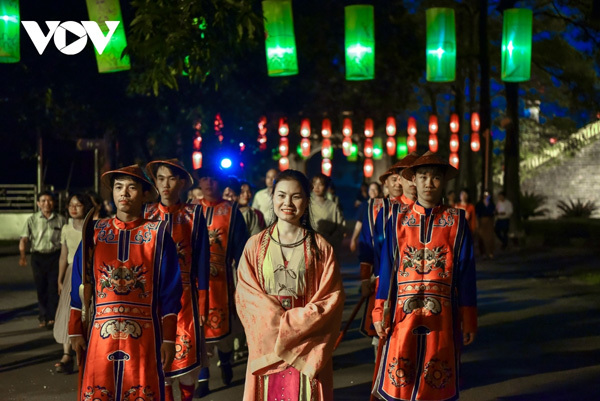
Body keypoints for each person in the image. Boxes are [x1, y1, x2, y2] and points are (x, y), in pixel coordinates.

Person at [69, 165, 183, 401]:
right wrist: (74, 330)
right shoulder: (95, 232)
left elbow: (171, 290)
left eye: (132, 188)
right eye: (119, 187)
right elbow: (80, 281)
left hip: (145, 334)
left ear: (144, 194)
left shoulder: (158, 234)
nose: (124, 193)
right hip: (101, 332)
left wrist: (170, 339)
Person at [372, 152, 477, 401]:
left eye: (435, 178)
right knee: (401, 378)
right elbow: (387, 269)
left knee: (436, 375)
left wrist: (469, 318)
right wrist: (379, 310)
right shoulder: (397, 219)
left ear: (443, 182)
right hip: (401, 312)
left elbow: (466, 272)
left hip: (443, 314)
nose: (429, 183)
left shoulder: (457, 220)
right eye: (423, 177)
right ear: (414, 181)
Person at [235, 169, 345, 401]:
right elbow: (246, 295)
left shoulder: (321, 247)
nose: (288, 202)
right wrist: (278, 324)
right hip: (267, 338)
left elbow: (331, 296)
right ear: (272, 197)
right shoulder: (254, 246)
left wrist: (298, 324)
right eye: (281, 195)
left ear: (306, 201)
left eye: (296, 196)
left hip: (307, 339)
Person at [144, 159, 211, 401]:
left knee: (186, 357)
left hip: (185, 298)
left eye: (171, 179)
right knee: (158, 361)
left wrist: (203, 301)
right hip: (152, 298)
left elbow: (202, 260)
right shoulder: (146, 214)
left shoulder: (194, 215)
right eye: (160, 179)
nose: (165, 184)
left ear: (182, 183)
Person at [194, 166, 249, 397]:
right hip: (194, 282)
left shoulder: (232, 211)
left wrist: (245, 282)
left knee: (224, 332)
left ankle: (225, 361)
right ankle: (203, 378)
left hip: (222, 282)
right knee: (197, 331)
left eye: (213, 179)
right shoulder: (190, 210)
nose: (209, 183)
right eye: (204, 178)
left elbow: (242, 250)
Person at [357, 152, 420, 344]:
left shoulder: (428, 209)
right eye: (396, 179)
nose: (399, 184)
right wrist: (366, 277)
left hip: (416, 280)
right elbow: (370, 244)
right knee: (383, 333)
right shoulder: (378, 209)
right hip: (386, 277)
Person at [53, 193, 93, 374]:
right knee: (68, 311)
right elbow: (63, 256)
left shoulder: (93, 228)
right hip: (71, 274)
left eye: (78, 204)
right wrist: (60, 279)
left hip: (88, 275)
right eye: (71, 205)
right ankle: (66, 354)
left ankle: (87, 352)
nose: (73, 208)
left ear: (86, 206)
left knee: (89, 312)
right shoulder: (66, 228)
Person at [19, 191, 67, 329]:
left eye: (50, 200)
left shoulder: (61, 219)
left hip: (55, 256)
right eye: (43, 200)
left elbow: (65, 241)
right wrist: (23, 256)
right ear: (38, 203)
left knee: (54, 286)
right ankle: (43, 315)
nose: (47, 203)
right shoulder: (32, 219)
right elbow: (24, 239)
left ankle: (52, 316)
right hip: (38, 257)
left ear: (54, 202)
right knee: (41, 287)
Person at [310, 173, 345, 250]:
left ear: (326, 187)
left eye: (320, 184)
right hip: (310, 243)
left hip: (328, 244)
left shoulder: (333, 206)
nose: (317, 187)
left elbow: (340, 226)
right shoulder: (307, 204)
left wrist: (330, 241)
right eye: (315, 184)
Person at [350, 182, 381, 253]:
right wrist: (353, 239)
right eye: (371, 189)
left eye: (375, 189)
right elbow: (359, 224)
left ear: (379, 191)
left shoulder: (383, 206)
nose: (373, 191)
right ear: (368, 191)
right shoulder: (364, 206)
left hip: (380, 242)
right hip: (366, 242)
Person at [476, 190, 495, 259]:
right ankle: (483, 253)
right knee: (482, 237)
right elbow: (477, 213)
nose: (486, 196)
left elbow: (493, 212)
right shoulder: (479, 204)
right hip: (482, 221)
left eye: (488, 195)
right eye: (485, 195)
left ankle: (490, 252)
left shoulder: (491, 204)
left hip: (489, 221)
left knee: (490, 237)